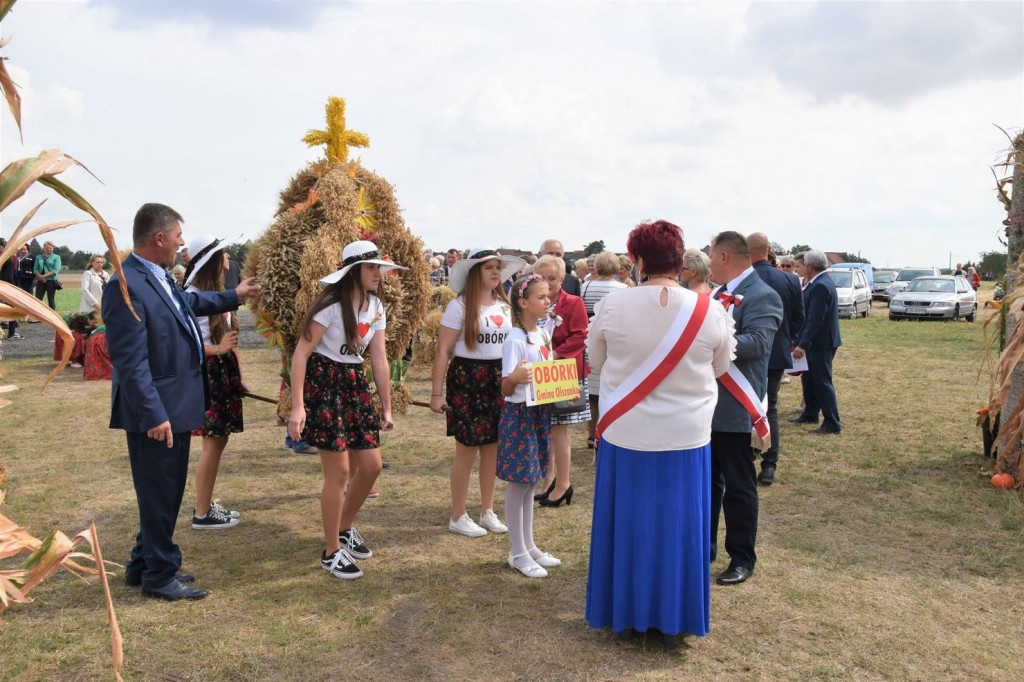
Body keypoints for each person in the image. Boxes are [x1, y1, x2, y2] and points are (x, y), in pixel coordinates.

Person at [586, 219, 734, 644]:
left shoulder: (614, 306)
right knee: (680, 526)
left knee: (629, 524)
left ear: (637, 260)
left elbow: (596, 361)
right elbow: (721, 367)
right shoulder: (710, 310)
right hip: (687, 435)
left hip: (626, 431)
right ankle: (676, 618)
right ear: (680, 259)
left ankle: (627, 615)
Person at [102, 203, 260, 601]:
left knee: (164, 491)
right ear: (158, 239)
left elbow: (187, 307)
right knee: (160, 491)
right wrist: (153, 413)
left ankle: (143, 563)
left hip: (173, 404)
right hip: (156, 410)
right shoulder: (126, 284)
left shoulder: (155, 277)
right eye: (176, 237)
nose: (180, 244)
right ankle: (159, 573)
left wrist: (235, 295)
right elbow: (130, 362)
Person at [288, 240, 405, 580]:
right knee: (338, 474)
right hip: (326, 384)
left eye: (379, 269)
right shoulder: (329, 305)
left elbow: (379, 358)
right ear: (353, 271)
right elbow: (301, 355)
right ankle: (330, 552)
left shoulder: (375, 306)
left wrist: (386, 406)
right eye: (371, 268)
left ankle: (343, 528)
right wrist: (298, 407)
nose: (378, 275)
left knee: (371, 467)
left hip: (354, 382)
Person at [431, 247, 525, 537]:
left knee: (493, 448)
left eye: (498, 267)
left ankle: (487, 510)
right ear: (475, 273)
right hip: (468, 378)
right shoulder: (458, 306)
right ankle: (458, 515)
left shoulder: (505, 306)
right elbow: (444, 350)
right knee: (466, 449)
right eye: (489, 267)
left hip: (499, 378)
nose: (496, 272)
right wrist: (436, 393)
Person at [707, 231, 782, 587]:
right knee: (706, 484)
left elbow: (758, 344)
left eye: (711, 257)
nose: (707, 264)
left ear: (724, 257)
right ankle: (703, 547)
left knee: (738, 488)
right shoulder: (714, 295)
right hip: (705, 405)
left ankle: (741, 557)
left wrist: (708, 338)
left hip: (737, 407)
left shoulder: (763, 295)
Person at [498, 273, 560, 577]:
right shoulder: (514, 339)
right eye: (540, 297)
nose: (547, 301)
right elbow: (506, 388)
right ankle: (517, 551)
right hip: (520, 414)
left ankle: (529, 545)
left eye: (548, 296)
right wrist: (514, 379)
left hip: (539, 412)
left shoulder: (544, 334)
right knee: (519, 481)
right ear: (523, 302)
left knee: (533, 479)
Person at [183, 235, 245, 530]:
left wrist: (238, 377)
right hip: (208, 372)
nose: (228, 259)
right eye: (224, 255)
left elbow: (230, 340)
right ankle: (201, 512)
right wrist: (218, 350)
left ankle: (205, 504)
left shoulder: (217, 291)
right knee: (212, 445)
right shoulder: (193, 294)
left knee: (219, 442)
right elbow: (187, 345)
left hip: (223, 371)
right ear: (211, 260)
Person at [533, 254, 589, 507]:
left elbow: (580, 336)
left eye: (552, 278)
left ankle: (563, 483)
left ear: (563, 278)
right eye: (541, 278)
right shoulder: (534, 303)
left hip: (561, 372)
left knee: (558, 431)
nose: (547, 283)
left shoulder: (573, 303)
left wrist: (552, 356)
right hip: (539, 373)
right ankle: (549, 478)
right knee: (545, 429)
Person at [748, 233, 804, 485]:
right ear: (769, 250)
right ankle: (769, 463)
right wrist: (788, 340)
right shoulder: (790, 280)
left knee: (747, 406)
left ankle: (748, 456)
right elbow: (798, 318)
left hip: (748, 352)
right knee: (770, 407)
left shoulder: (746, 279)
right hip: (777, 351)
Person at [791, 249, 842, 435]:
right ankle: (811, 412)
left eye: (800, 266)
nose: (798, 270)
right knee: (809, 378)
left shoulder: (820, 285)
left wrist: (802, 344)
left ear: (810, 266)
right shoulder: (817, 282)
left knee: (822, 381)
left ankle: (832, 422)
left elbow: (815, 319)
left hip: (821, 343)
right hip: (817, 341)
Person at [580, 251, 627, 449]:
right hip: (615, 343)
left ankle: (591, 435)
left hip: (591, 340)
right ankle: (605, 431)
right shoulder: (624, 289)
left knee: (592, 394)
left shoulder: (586, 286)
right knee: (611, 390)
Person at [0, 238, 23, 339]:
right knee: (13, 309)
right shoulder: (8, 259)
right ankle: (11, 333)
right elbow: (10, 276)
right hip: (8, 288)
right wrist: (15, 287)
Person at [34, 240, 61, 310]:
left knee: (51, 299)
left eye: (50, 248)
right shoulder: (38, 257)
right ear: (44, 248)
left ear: (53, 248)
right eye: (47, 248)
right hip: (40, 281)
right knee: (38, 299)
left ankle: (52, 316)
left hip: (51, 280)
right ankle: (38, 315)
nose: (49, 249)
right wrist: (40, 277)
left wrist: (44, 276)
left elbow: (55, 270)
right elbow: (35, 269)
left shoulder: (56, 257)